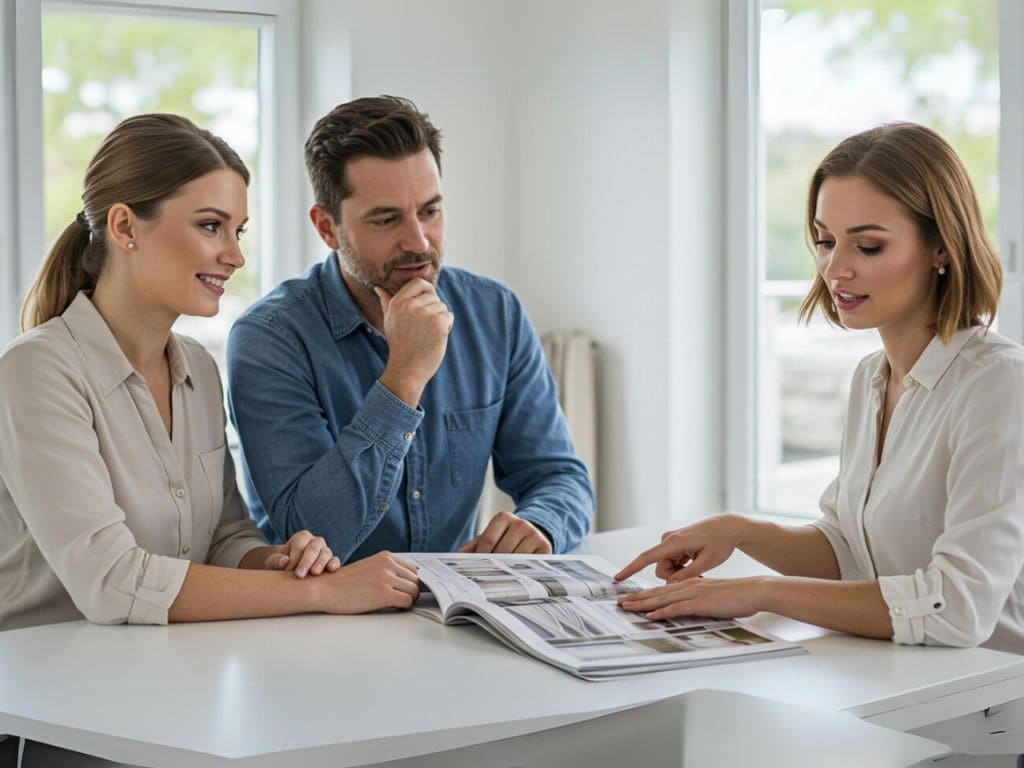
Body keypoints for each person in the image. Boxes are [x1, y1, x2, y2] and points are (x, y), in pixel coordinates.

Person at [0, 114, 420, 635]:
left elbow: (224, 538)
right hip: (43, 691)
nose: (235, 255)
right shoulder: (38, 370)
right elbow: (111, 581)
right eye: (210, 226)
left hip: (162, 674)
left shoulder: (197, 368)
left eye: (237, 231)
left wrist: (280, 563)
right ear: (125, 226)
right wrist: (321, 590)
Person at [616, 122, 1024, 653]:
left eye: (868, 246)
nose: (835, 268)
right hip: (899, 681)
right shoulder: (871, 379)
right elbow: (853, 554)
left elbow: (956, 608)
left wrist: (760, 592)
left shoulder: (1000, 385)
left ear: (941, 248)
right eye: (825, 241)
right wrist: (740, 530)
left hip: (993, 707)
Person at [226, 95, 593, 561]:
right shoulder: (270, 338)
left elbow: (559, 476)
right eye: (386, 219)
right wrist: (403, 378)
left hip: (450, 612)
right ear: (327, 228)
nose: (419, 242)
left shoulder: (494, 313)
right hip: (320, 616)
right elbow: (312, 535)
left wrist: (542, 523)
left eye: (430, 211)